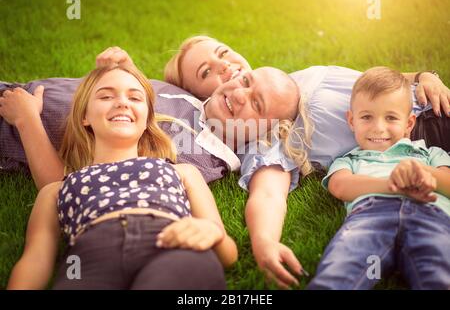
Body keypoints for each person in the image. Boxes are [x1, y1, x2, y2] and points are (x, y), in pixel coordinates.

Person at [1, 38, 450, 288]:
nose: (232, 81)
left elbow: (378, 83)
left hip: (427, 114)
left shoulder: (301, 85)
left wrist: (421, 77)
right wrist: (264, 241)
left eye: (232, 68)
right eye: (214, 76)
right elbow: (267, 193)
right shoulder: (249, 134)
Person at [7, 64, 238, 289]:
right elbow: (36, 259)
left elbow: (227, 254)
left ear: (147, 119)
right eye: (106, 97)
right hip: (90, 257)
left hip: (173, 247)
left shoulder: (183, 172)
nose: (121, 103)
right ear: (84, 116)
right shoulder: (55, 189)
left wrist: (212, 232)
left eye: (135, 98)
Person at [306, 67, 450, 289]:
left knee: (440, 276)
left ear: (409, 124)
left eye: (391, 117)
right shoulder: (350, 159)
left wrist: (425, 175)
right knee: (339, 273)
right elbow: (339, 186)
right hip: (369, 219)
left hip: (431, 216)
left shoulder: (430, 153)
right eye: (366, 117)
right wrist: (393, 185)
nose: (378, 128)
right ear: (352, 121)